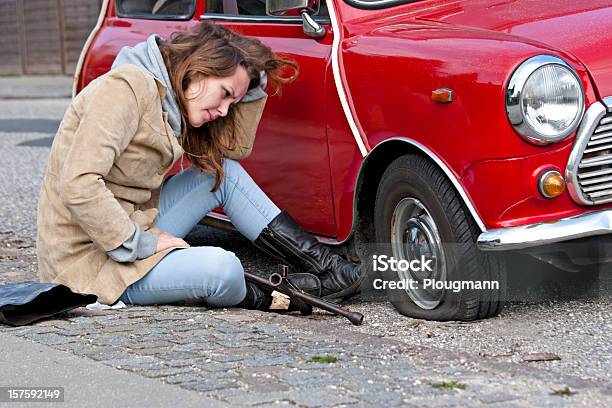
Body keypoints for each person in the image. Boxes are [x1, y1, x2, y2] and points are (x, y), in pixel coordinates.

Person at [36, 22, 365, 312]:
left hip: (133, 225)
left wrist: (251, 87)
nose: (224, 111)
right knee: (222, 269)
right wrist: (145, 243)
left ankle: (330, 269)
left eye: (231, 102)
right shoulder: (123, 90)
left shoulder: (170, 100)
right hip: (90, 261)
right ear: (199, 69)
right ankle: (279, 298)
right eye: (224, 94)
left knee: (223, 174)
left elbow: (235, 150)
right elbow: (79, 183)